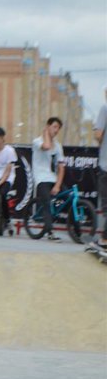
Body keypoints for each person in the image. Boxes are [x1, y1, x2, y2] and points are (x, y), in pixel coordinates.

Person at [31, 117, 66, 241]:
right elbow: (46, 146)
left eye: (58, 128)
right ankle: (50, 232)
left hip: (52, 177)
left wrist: (57, 185)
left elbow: (61, 167)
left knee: (69, 195)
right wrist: (46, 133)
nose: (56, 130)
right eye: (54, 127)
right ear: (48, 126)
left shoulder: (58, 146)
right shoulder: (36, 141)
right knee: (46, 202)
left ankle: (76, 230)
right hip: (40, 178)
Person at [88, 87, 107, 255]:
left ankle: (104, 241)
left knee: (106, 206)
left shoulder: (105, 108)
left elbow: (98, 134)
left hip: (106, 165)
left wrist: (98, 137)